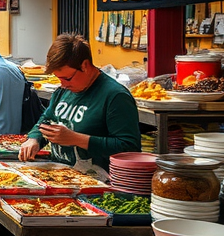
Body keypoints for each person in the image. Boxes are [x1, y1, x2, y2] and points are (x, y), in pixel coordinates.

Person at [18, 34, 141, 172]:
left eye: (67, 78)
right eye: (59, 78)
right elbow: (47, 119)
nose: (63, 84)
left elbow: (129, 147)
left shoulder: (115, 96)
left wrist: (77, 139)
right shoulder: (62, 92)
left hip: (98, 181)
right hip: (61, 175)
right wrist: (35, 138)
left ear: (85, 65)